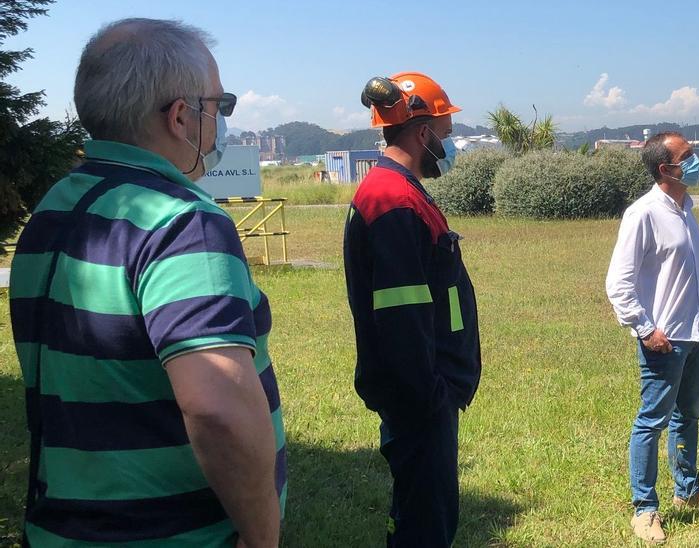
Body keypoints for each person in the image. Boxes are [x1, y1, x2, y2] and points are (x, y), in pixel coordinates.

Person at [8, 18, 285, 546]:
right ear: (181, 116)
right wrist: (262, 536)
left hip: (60, 528)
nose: (221, 121)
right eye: (220, 105)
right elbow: (217, 407)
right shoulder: (183, 225)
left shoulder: (54, 209)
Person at [342, 71, 481, 546]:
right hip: (420, 398)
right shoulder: (393, 200)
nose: (449, 142)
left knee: (424, 514)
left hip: (423, 393)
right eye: (446, 132)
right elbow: (402, 316)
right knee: (425, 525)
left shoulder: (400, 191)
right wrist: (431, 395)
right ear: (422, 132)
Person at [606, 132, 699, 544]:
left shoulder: (686, 210)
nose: (697, 162)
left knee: (689, 415)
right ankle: (644, 509)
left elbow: (694, 268)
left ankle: (689, 491)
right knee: (652, 421)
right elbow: (619, 282)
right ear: (666, 169)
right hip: (665, 339)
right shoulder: (643, 214)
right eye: (689, 156)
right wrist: (645, 328)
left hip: (697, 332)